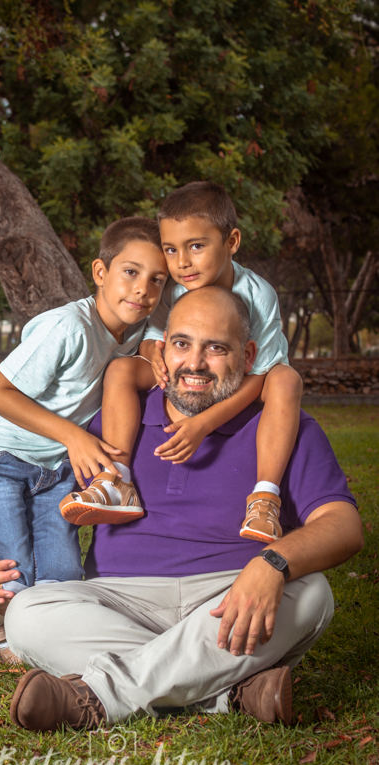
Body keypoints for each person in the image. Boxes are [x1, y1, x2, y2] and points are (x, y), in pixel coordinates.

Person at [0, 286, 362, 729]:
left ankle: (98, 697)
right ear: (160, 350)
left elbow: (342, 525)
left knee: (311, 594)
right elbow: (41, 496)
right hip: (120, 598)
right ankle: (225, 691)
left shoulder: (283, 424)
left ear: (248, 355)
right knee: (27, 613)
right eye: (181, 344)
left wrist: (272, 563)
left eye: (216, 348)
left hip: (229, 598)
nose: (194, 363)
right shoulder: (117, 418)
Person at [0, 217, 168, 677]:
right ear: (100, 272)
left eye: (156, 280)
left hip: (53, 470)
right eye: (130, 272)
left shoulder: (138, 328)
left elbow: (155, 341)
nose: (142, 289)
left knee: (62, 582)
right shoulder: (65, 327)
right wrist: (74, 435)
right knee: (12, 575)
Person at [59, 182, 303, 545]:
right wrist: (154, 356)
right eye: (171, 249)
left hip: (248, 378)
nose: (182, 262)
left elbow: (260, 373)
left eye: (196, 246)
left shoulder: (257, 293)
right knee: (122, 369)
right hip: (186, 372)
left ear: (232, 242)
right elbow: (152, 340)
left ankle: (265, 498)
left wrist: (204, 423)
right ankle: (117, 480)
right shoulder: (172, 288)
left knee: (287, 380)